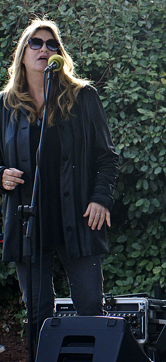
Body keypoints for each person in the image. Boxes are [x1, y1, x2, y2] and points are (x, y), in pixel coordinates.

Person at [1, 18, 119, 348]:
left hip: (77, 217)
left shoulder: (83, 97)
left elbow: (107, 157)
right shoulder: (4, 105)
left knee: (90, 306)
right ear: (22, 54)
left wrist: (100, 198)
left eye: (52, 44)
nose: (44, 49)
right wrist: (2, 175)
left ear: (60, 55)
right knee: (37, 312)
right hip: (29, 220)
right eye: (35, 43)